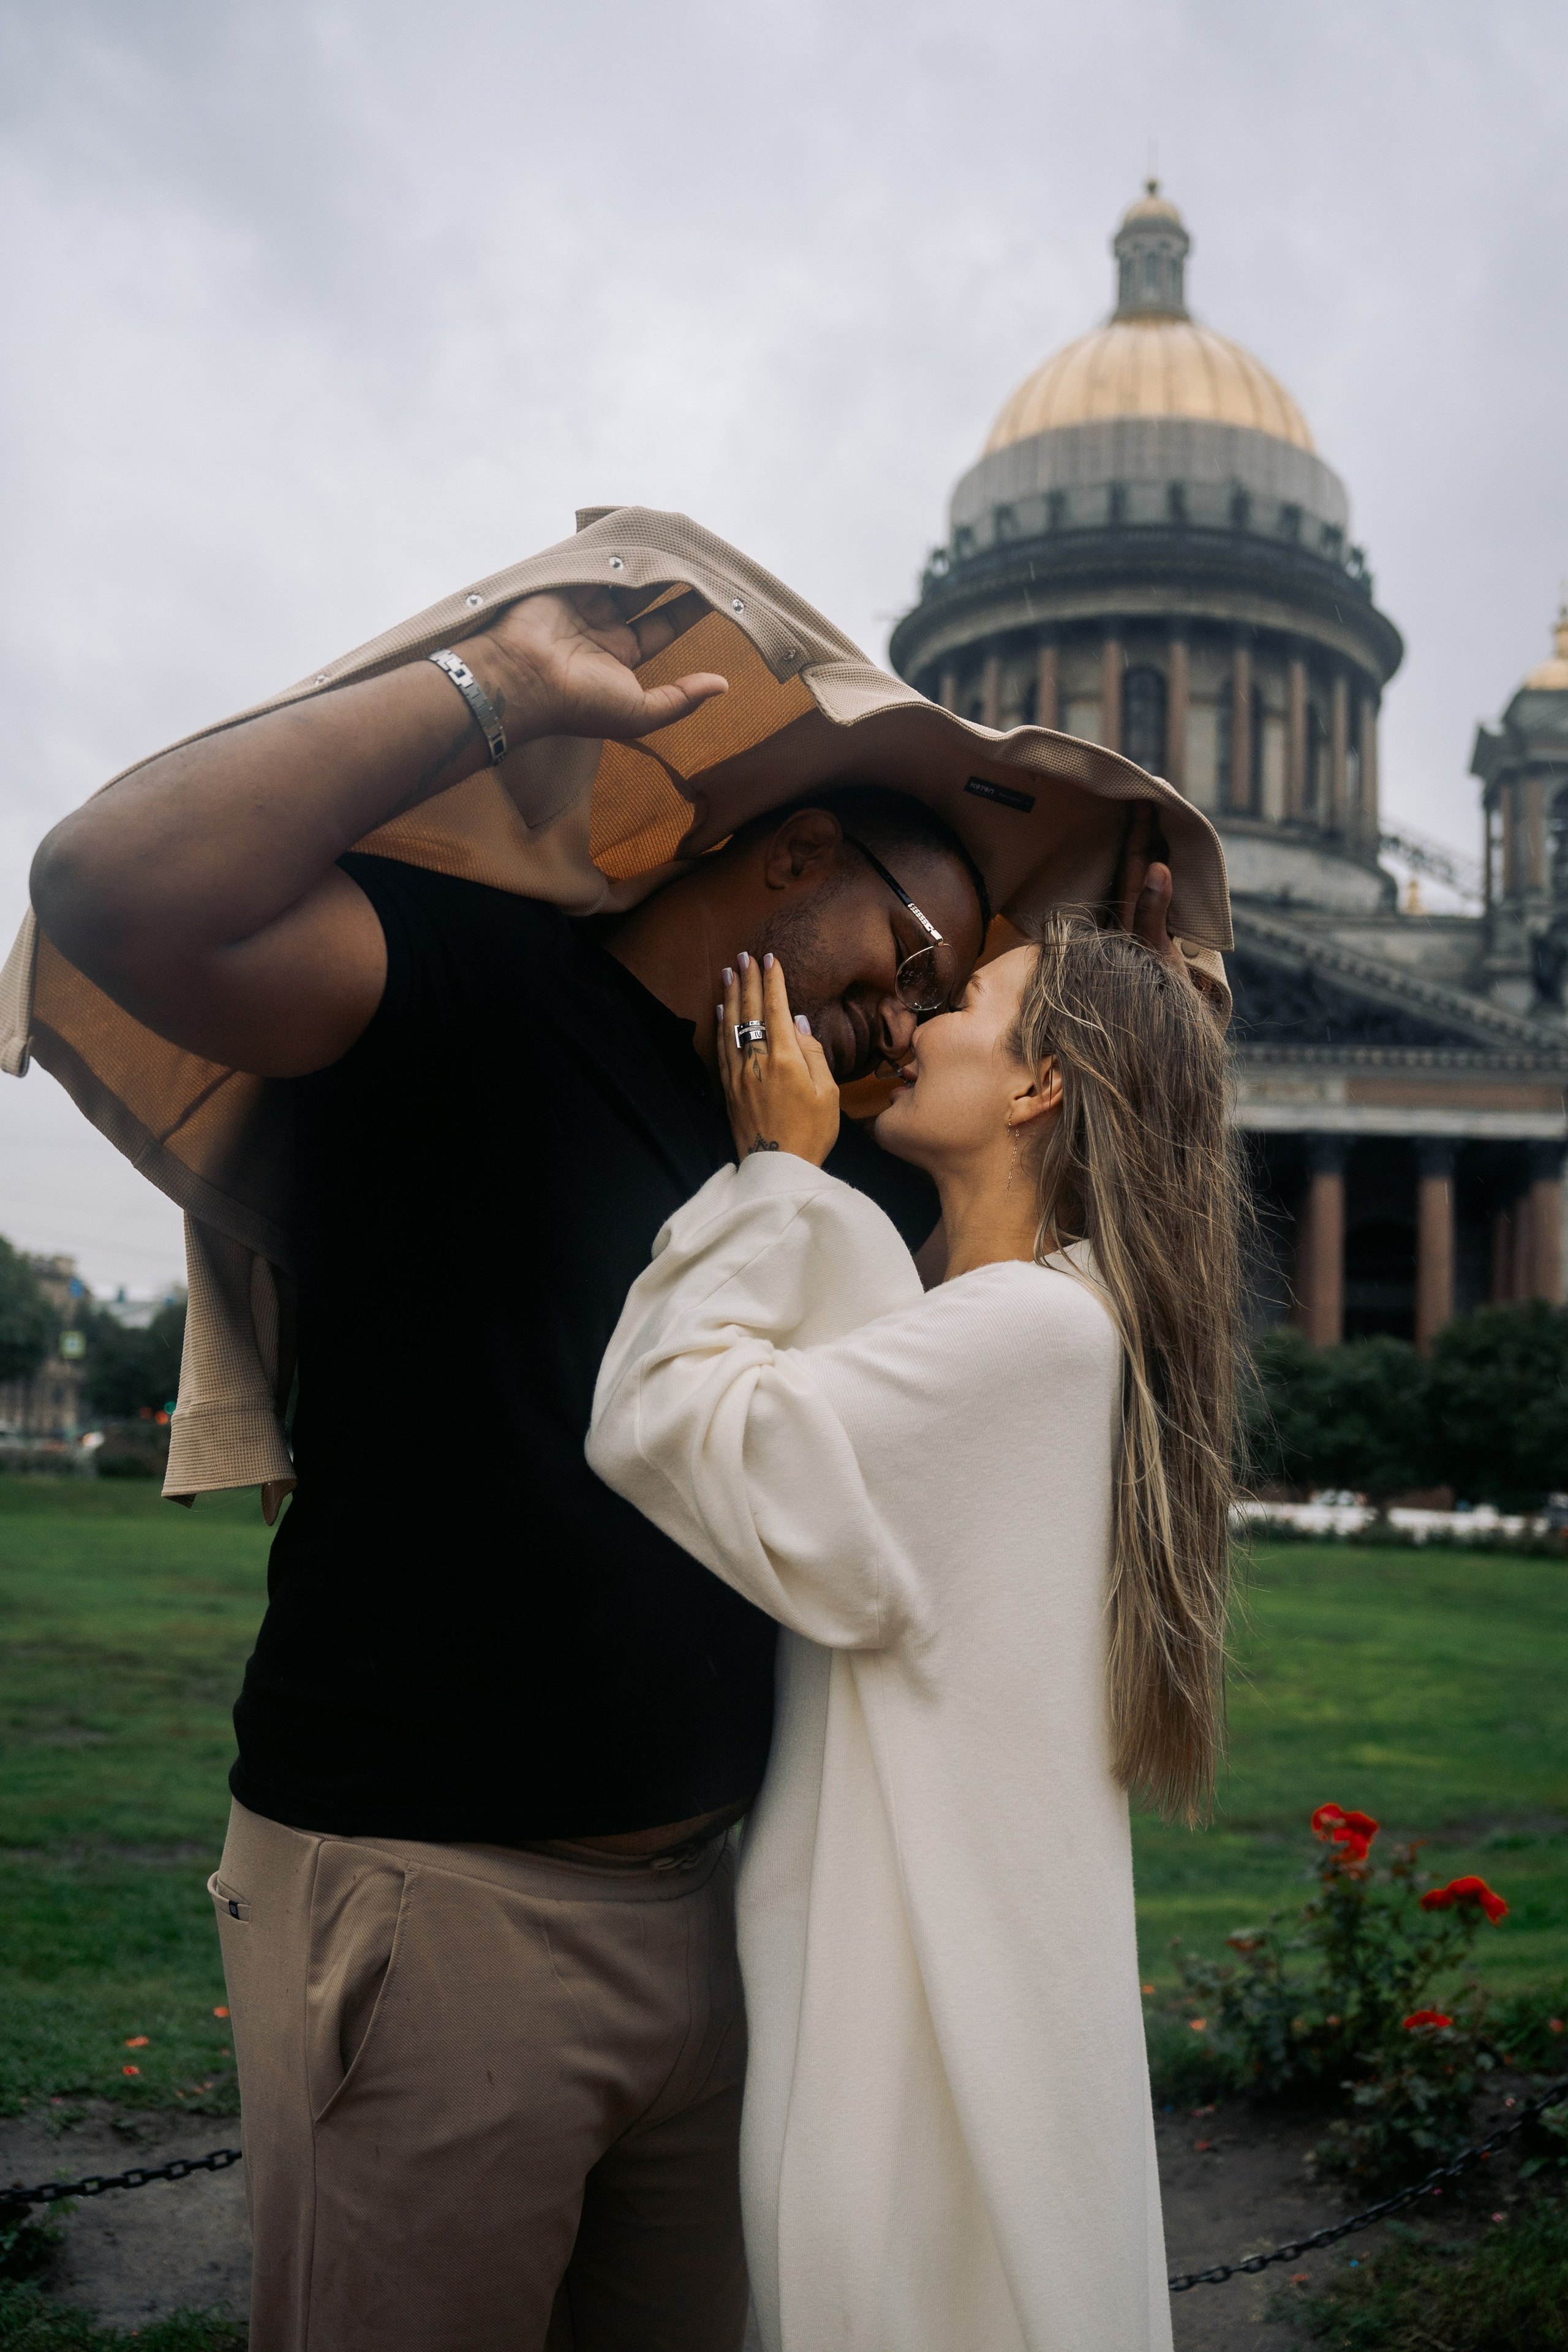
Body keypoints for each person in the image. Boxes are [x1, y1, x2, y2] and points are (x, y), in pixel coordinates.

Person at [28, 582, 1189, 2352]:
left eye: (953, 997)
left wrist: (1142, 1000)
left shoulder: (821, 1152)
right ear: (796, 853)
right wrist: (491, 684)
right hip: (443, 1890)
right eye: (910, 961)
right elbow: (107, 887)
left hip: (713, 1919)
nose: (909, 1018)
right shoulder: (464, 989)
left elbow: (1038, 1231)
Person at [588, 919, 1242, 2352]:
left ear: (1036, 1087)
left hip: (917, 2015)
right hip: (948, 1976)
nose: (913, 1023)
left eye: (963, 1003)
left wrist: (773, 1174)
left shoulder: (1029, 1337)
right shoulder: (1039, 1320)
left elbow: (668, 1417)